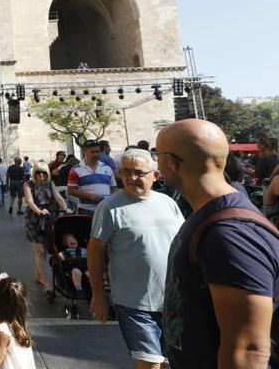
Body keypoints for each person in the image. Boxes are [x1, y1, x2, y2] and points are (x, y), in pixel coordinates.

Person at [158, 119, 279, 368]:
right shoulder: (212, 218)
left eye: (157, 156)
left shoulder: (229, 233)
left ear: (172, 162)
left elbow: (249, 352)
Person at [88, 149, 184, 369]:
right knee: (150, 363)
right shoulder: (109, 207)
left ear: (155, 175)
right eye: (126, 172)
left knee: (167, 364)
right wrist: (99, 296)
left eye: (139, 173)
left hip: (172, 300)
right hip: (134, 302)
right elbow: (94, 253)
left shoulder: (168, 203)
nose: (131, 178)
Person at [23, 161, 70, 292]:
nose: (41, 175)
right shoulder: (28, 184)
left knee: (45, 250)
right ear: (34, 173)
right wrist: (39, 211)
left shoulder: (50, 184)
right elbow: (30, 201)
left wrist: (66, 209)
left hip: (49, 219)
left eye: (44, 172)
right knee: (40, 253)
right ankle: (44, 280)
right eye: (38, 172)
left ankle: (38, 275)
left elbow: (59, 197)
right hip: (34, 220)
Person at [67, 140, 117, 217]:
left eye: (98, 151)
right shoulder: (76, 170)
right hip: (86, 211)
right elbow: (70, 191)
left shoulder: (107, 168)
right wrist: (90, 196)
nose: (96, 154)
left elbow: (113, 188)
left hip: (106, 210)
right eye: (92, 152)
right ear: (85, 151)